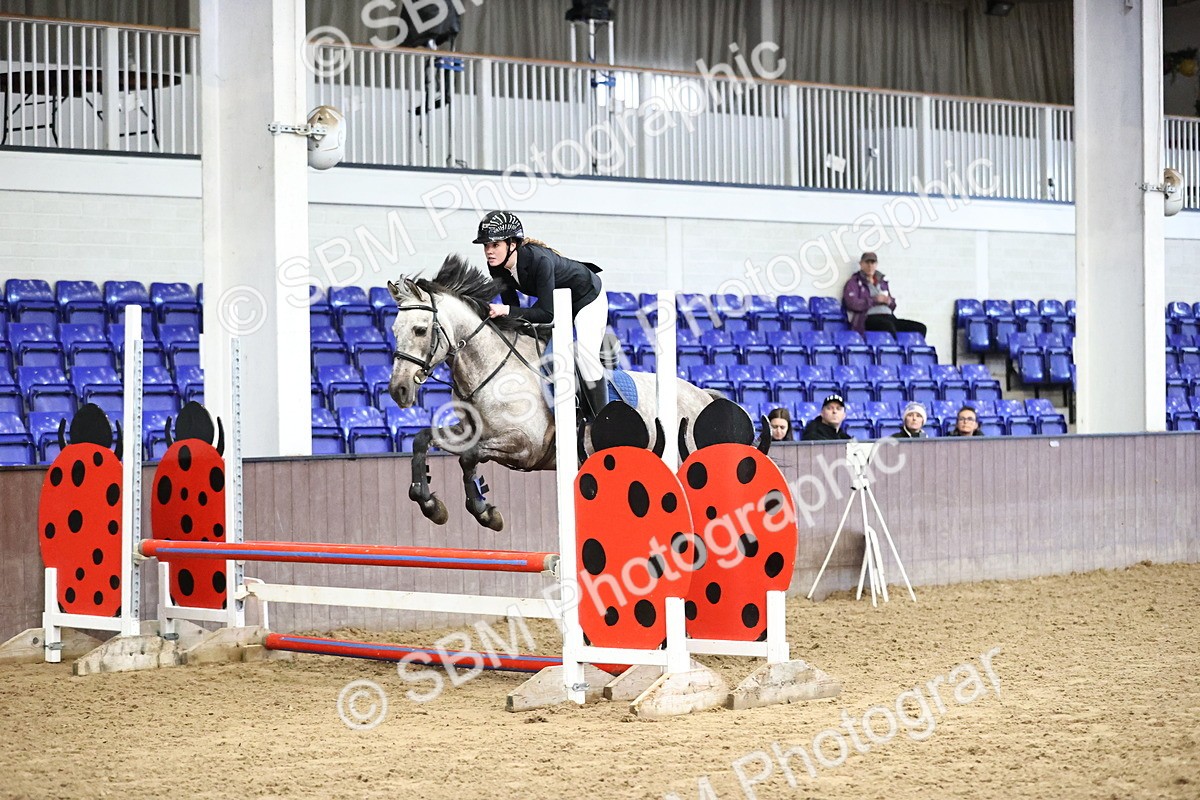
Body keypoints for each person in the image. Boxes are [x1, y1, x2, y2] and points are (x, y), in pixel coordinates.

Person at [474, 210, 609, 417]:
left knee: (586, 357)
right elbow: (513, 308)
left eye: (495, 245)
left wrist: (505, 310)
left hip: (586, 298)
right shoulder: (497, 267)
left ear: (512, 244)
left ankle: (602, 419)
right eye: (486, 246)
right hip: (559, 304)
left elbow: (546, 314)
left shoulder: (539, 260)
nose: (489, 251)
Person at [842, 252, 927, 338]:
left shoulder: (882, 282)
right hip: (868, 318)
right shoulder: (854, 282)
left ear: (876, 264)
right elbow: (852, 304)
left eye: (873, 263)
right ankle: (895, 350)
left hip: (889, 317)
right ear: (861, 264)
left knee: (920, 328)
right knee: (888, 327)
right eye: (867, 262)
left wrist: (889, 301)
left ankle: (912, 350)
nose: (870, 266)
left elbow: (893, 306)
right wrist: (874, 300)